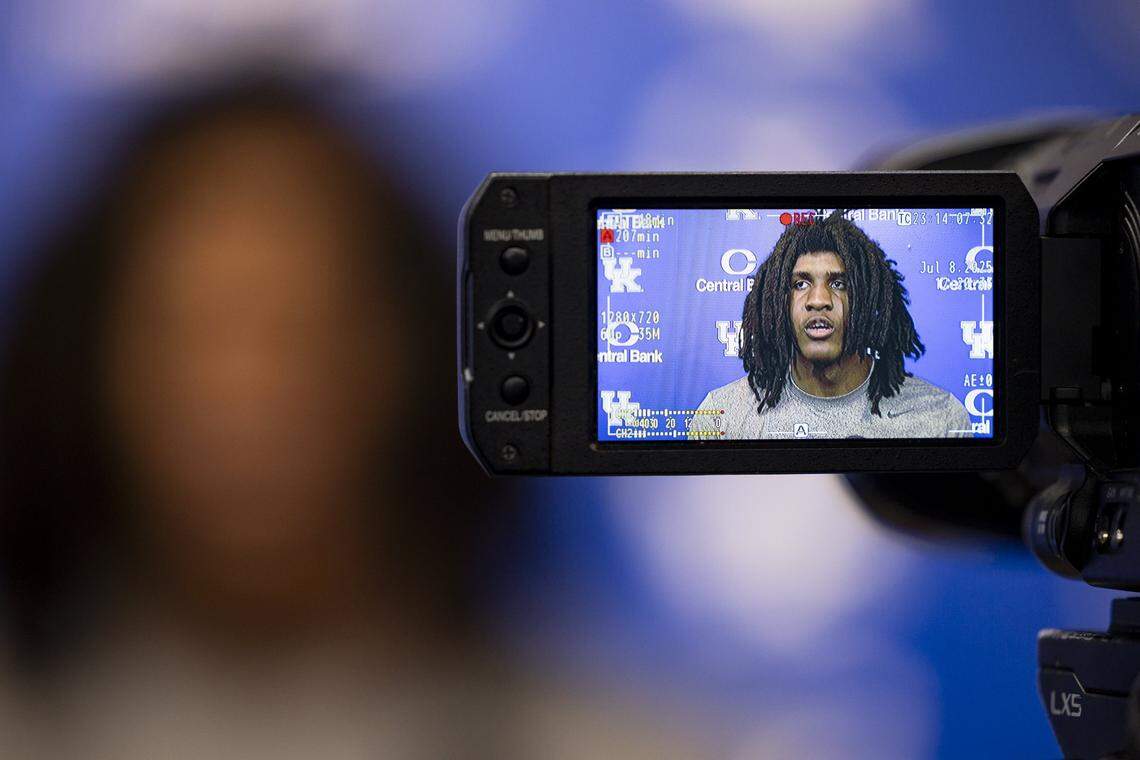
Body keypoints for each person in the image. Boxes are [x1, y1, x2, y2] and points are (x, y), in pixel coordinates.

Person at [0, 77, 710, 759]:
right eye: (190, 334)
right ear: (89, 362)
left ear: (421, 361)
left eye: (304, 332)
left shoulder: (613, 742)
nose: (247, 393)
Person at [692, 211, 971, 440]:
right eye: (800, 284)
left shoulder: (940, 418)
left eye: (839, 284)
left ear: (869, 300)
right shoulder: (723, 417)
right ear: (775, 302)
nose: (819, 300)